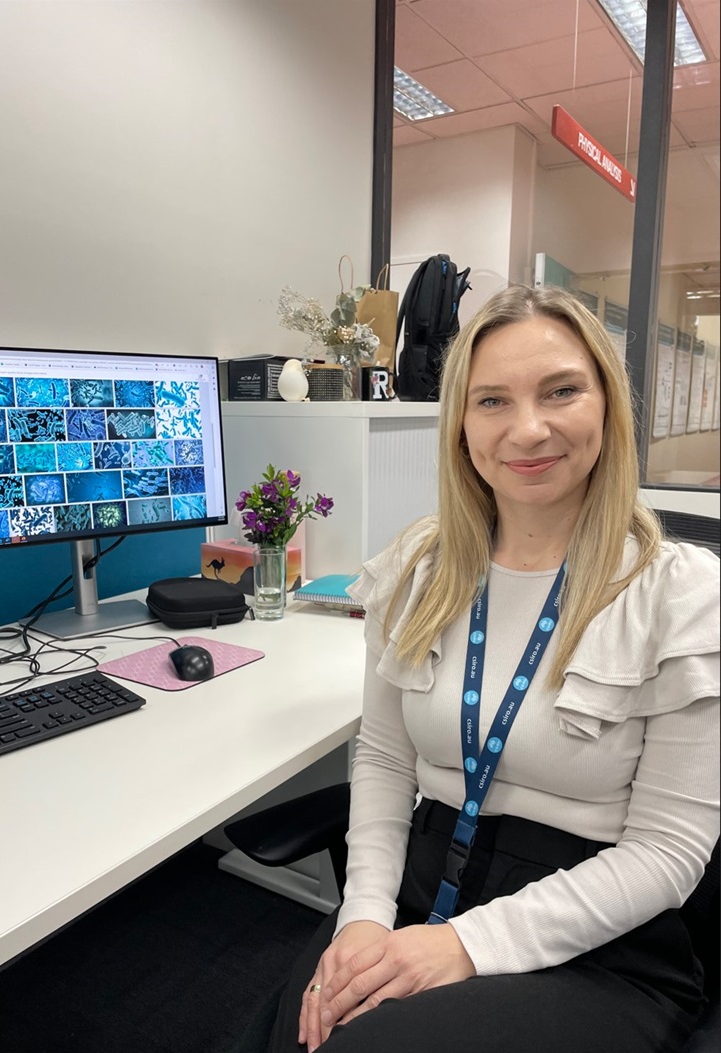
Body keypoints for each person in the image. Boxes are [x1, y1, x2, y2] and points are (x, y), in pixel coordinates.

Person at [266, 284, 720, 1053]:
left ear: (607, 405)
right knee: (297, 1032)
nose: (528, 428)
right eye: (492, 401)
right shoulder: (417, 568)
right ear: (461, 425)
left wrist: (465, 945)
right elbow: (382, 756)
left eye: (561, 391)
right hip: (422, 881)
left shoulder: (682, 595)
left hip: (601, 937)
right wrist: (365, 916)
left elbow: (668, 852)